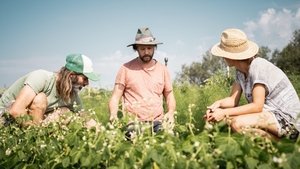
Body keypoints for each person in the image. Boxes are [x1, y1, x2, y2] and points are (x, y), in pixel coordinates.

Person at [205, 28, 300, 140]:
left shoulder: (258, 66)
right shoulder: (240, 72)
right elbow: (232, 100)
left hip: (287, 119)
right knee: (227, 121)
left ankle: (283, 147)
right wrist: (216, 106)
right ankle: (279, 148)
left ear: (232, 55)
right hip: (270, 115)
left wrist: (224, 112)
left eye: (224, 54)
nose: (222, 57)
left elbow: (257, 106)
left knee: (237, 123)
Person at [109, 27, 176, 137]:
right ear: (136, 49)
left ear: (154, 48)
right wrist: (113, 114)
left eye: (149, 48)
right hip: (133, 124)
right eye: (142, 49)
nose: (146, 52)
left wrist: (171, 112)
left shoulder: (162, 69)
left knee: (169, 140)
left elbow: (169, 95)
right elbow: (115, 97)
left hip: (157, 123)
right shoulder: (125, 68)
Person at [0, 54, 100, 126]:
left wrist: (102, 133)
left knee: (64, 112)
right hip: (5, 117)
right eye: (85, 78)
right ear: (72, 76)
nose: (87, 84)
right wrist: (36, 133)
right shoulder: (42, 78)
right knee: (40, 98)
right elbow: (15, 111)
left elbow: (85, 118)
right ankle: (35, 140)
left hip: (28, 120)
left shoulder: (71, 94)